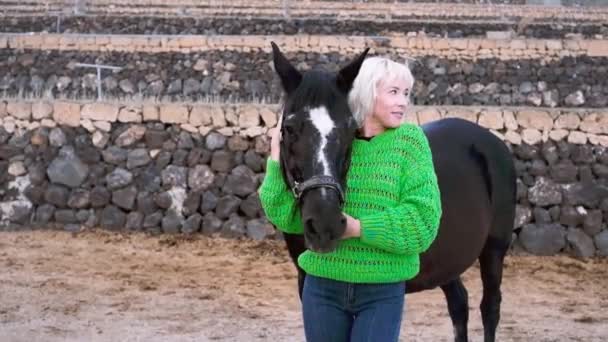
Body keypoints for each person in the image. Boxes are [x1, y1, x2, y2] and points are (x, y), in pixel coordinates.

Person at [258, 56, 442, 342]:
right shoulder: (334, 141)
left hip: (381, 291)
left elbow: (422, 224)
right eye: (393, 92)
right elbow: (287, 217)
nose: (403, 102)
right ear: (368, 92)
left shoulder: (410, 143)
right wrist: (274, 158)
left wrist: (357, 228)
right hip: (322, 287)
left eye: (406, 93)